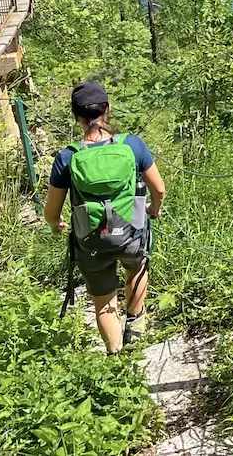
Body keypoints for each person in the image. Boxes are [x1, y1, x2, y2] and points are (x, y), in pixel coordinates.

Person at [43, 79, 166, 353]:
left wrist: (56, 225)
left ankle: (116, 357)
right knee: (136, 268)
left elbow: (51, 211)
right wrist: (153, 210)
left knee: (104, 305)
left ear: (76, 116)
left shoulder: (67, 158)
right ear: (107, 110)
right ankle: (135, 324)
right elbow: (158, 189)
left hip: (91, 241)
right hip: (132, 232)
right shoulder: (133, 145)